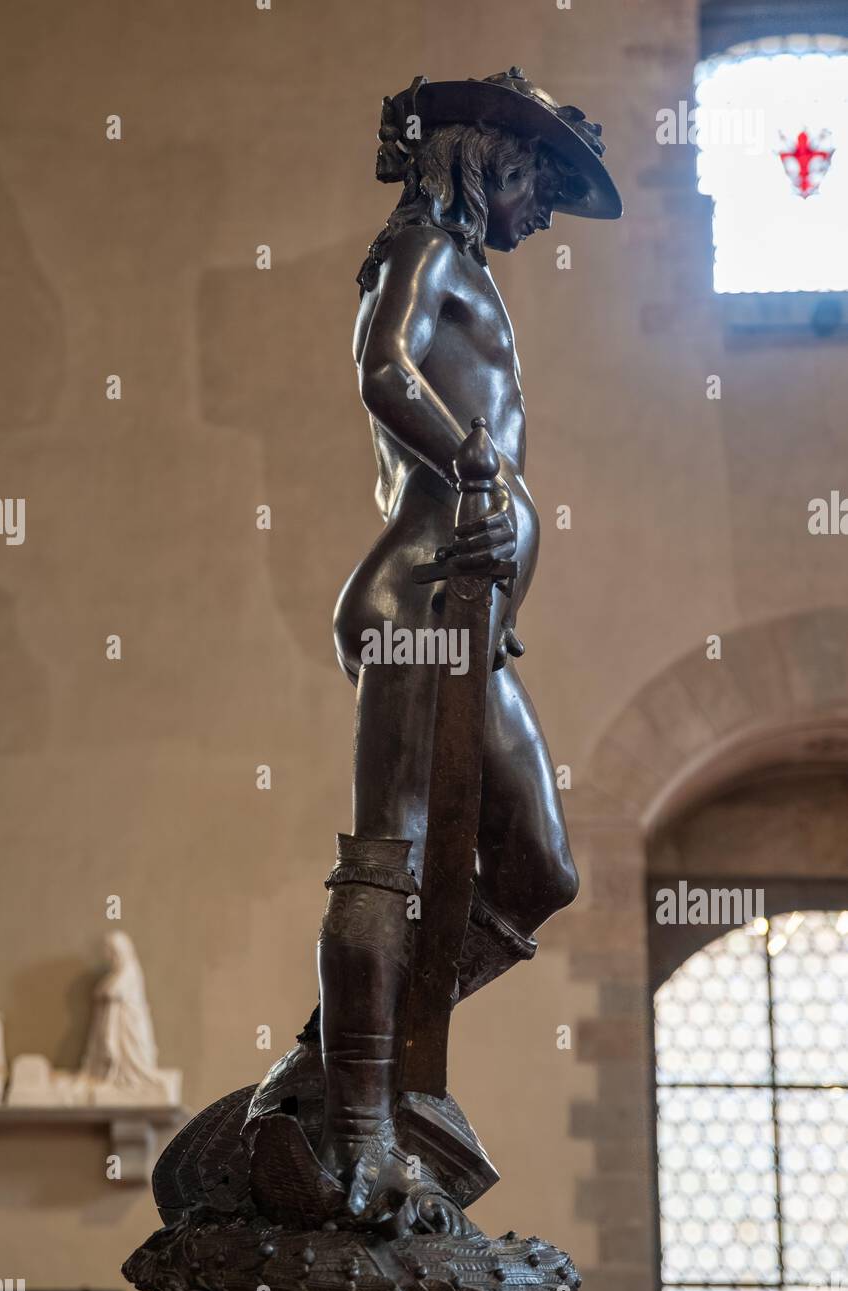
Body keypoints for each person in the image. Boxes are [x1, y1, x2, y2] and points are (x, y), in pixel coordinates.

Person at [315, 68, 622, 1223]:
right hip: (414, 606)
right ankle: (359, 1134)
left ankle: (339, 1060)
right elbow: (380, 367)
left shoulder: (473, 271)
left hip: (475, 622)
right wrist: (474, 461)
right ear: (480, 152)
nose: (544, 210)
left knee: (539, 869)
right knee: (383, 858)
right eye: (539, 181)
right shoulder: (414, 250)